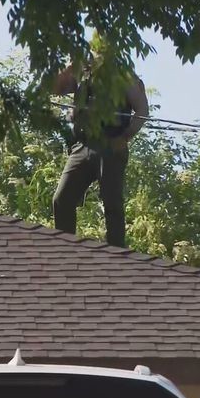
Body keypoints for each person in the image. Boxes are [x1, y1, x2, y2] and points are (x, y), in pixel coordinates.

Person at [50, 43, 149, 248]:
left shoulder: (123, 75)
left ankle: (116, 254)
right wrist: (71, 66)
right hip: (83, 145)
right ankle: (65, 249)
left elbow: (142, 110)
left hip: (111, 145)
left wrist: (125, 137)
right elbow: (55, 88)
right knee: (62, 199)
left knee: (111, 203)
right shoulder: (83, 74)